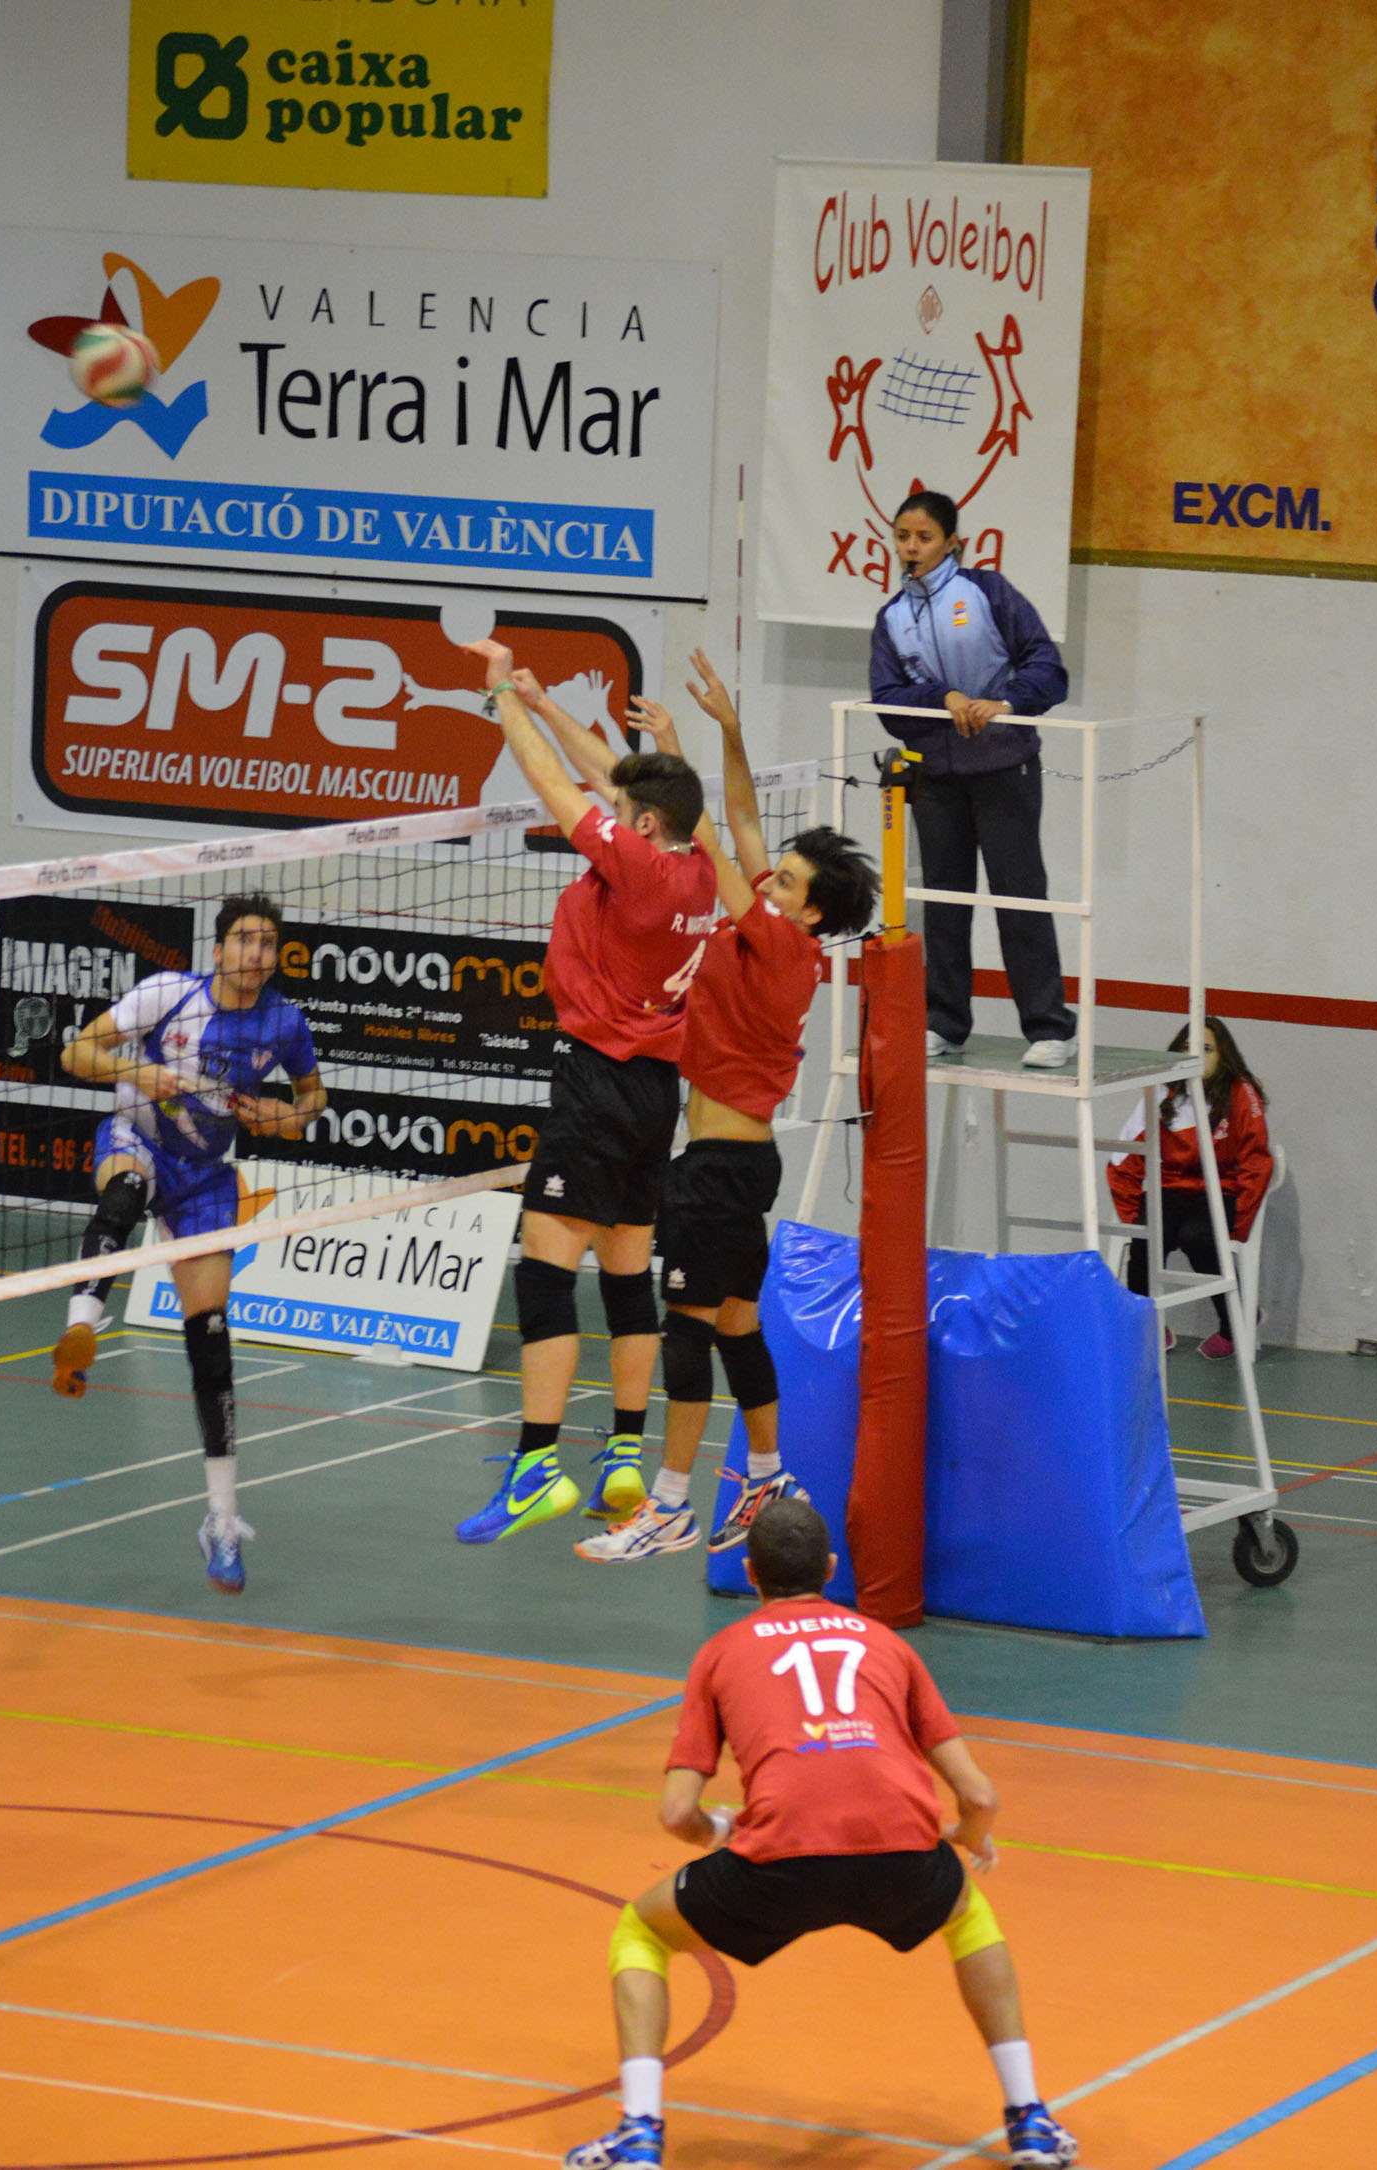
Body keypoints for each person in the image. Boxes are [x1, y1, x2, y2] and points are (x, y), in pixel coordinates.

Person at [562, 1497, 1079, 2170]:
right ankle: (1029, 2120)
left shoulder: (720, 1653)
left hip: (779, 1865)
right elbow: (980, 1795)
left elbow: (675, 1814)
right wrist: (967, 1835)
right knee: (967, 1916)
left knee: (641, 1932)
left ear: (750, 1573)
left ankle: (638, 2132)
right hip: (901, 1857)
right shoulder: (888, 1645)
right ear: (831, 1568)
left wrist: (721, 1831)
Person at [576, 651, 879, 1566]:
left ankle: (669, 1505)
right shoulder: (775, 935)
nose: (767, 881)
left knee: (688, 1330)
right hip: (738, 1165)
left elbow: (719, 834)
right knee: (739, 1327)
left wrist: (684, 759)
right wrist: (727, 732)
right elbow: (740, 823)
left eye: (785, 881)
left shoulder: (783, 947)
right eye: (773, 876)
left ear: (813, 914)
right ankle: (768, 1476)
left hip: (716, 1171)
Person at [453, 642, 717, 1547]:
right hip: (656, 1091)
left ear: (642, 826)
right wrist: (546, 700)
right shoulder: (698, 862)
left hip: (596, 1080)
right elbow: (616, 780)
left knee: (545, 1269)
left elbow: (553, 786)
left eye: (625, 810)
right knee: (627, 1274)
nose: (612, 806)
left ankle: (534, 1467)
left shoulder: (636, 869)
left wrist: (501, 691)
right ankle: (624, 1454)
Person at [52, 895, 326, 1593]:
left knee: (211, 1341)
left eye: (268, 943)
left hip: (205, 1178)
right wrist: (137, 1072)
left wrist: (287, 1116)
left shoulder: (284, 1022)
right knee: (124, 1192)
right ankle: (81, 1326)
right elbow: (75, 1051)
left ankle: (222, 1521)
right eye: (245, 940)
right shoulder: (168, 994)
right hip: (138, 1137)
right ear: (218, 948)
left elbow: (313, 1099)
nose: (257, 954)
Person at [870, 490, 1074, 1068]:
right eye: (902, 537)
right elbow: (888, 699)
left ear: (953, 542)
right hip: (935, 776)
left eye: (924, 537)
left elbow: (1047, 666)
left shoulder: (988, 592)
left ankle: (1049, 1028)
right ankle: (944, 1022)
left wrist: (1006, 703)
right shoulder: (891, 618)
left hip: (1004, 767)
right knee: (944, 902)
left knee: (1019, 895)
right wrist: (944, 698)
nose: (911, 548)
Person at [1106, 1017, 1273, 1359]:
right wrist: (1132, 1217)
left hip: (1220, 1192)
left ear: (1223, 1055)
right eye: (1187, 1048)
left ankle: (1236, 1320)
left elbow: (1256, 1161)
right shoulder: (1161, 1089)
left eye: (1206, 1049)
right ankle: (1149, 1326)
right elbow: (1125, 1155)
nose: (1195, 1056)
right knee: (1146, 1237)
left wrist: (1241, 1222)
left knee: (1197, 1237)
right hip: (1170, 1189)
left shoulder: (1241, 1092)